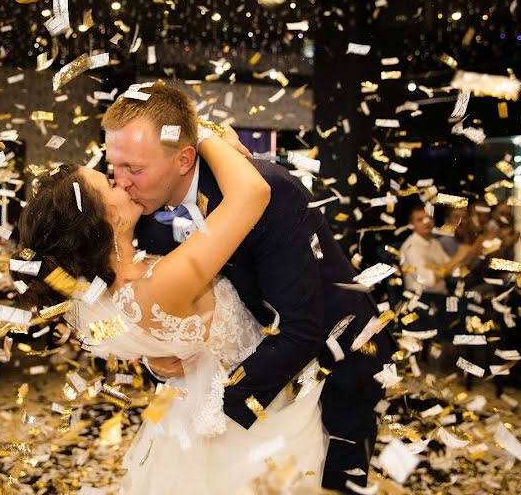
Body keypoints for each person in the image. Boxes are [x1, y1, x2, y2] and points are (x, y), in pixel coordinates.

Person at [101, 81, 394, 491]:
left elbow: (301, 331)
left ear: (185, 159)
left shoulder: (270, 194)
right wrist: (156, 357)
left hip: (338, 366)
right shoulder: (144, 212)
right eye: (114, 165)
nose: (120, 182)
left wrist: (214, 413)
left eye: (133, 168)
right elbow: (162, 306)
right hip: (258, 369)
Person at [13, 126, 328, 491]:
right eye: (109, 184)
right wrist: (201, 131)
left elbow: (143, 335)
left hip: (189, 422)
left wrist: (157, 357)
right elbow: (251, 193)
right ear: (103, 221)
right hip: (253, 424)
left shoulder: (94, 296)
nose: (123, 181)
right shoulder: (160, 283)